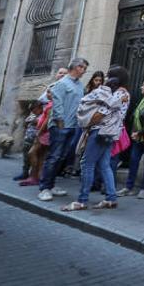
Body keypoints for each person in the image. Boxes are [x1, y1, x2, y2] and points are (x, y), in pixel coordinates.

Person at [61, 66, 129, 211]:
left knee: (87, 163)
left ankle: (82, 200)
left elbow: (101, 113)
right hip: (110, 133)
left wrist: (87, 123)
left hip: (100, 131)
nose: (106, 78)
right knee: (104, 164)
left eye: (108, 75)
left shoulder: (117, 93)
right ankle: (111, 198)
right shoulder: (123, 94)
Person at [38, 58, 88, 202]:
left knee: (61, 157)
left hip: (72, 125)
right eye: (82, 67)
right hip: (61, 126)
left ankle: (51, 185)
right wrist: (60, 122)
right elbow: (57, 103)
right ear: (74, 67)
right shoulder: (62, 83)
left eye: (84, 68)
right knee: (54, 157)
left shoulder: (79, 85)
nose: (83, 70)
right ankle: (44, 188)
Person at [14, 102, 43, 181]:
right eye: (32, 111)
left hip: (36, 140)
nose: (34, 112)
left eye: (35, 110)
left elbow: (39, 123)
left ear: (40, 108)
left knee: (34, 156)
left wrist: (34, 121)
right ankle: (25, 172)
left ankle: (33, 175)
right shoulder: (33, 115)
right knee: (26, 157)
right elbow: (27, 122)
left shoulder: (42, 116)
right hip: (28, 138)